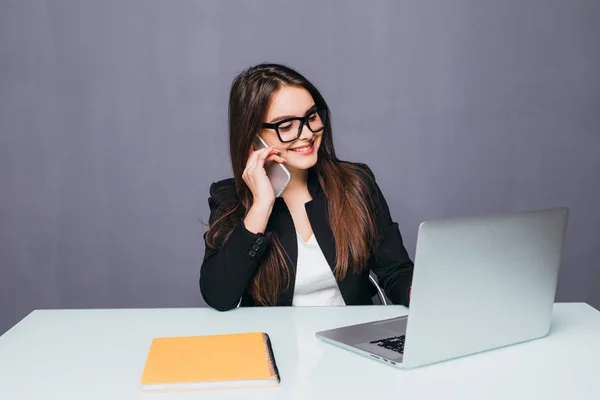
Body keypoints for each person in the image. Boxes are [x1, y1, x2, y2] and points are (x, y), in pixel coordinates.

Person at [200, 63, 413, 311]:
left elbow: (396, 271)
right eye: (286, 126)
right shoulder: (229, 199)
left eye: (311, 117)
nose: (307, 133)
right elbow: (219, 296)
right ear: (252, 138)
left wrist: (420, 293)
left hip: (353, 340)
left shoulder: (356, 183)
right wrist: (261, 206)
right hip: (277, 343)